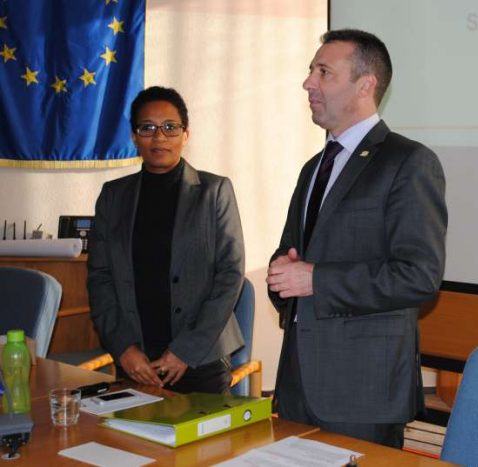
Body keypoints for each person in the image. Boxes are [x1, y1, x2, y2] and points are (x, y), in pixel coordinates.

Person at [266, 29, 447, 448]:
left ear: (365, 84)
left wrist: (315, 280)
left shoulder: (409, 162)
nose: (308, 82)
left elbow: (419, 276)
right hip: (296, 385)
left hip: (362, 393)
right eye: (311, 70)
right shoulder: (313, 167)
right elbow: (292, 254)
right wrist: (282, 274)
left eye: (323, 71)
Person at [87, 86, 245, 394]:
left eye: (170, 127)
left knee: (203, 442)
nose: (159, 137)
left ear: (186, 135)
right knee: (133, 441)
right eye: (147, 128)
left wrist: (185, 350)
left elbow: (230, 274)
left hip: (201, 359)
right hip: (136, 361)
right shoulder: (113, 196)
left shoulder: (214, 192)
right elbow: (99, 278)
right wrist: (123, 349)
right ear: (134, 136)